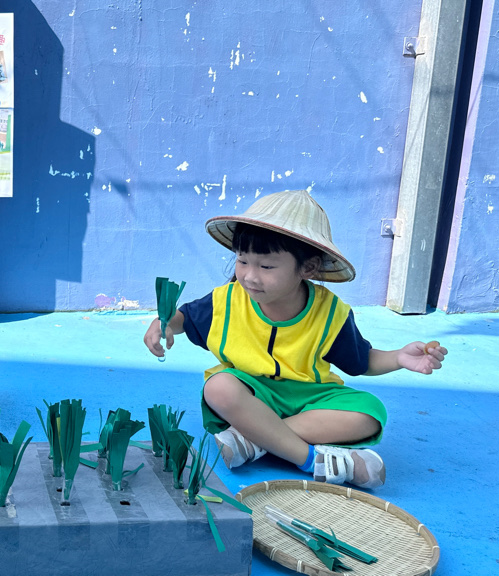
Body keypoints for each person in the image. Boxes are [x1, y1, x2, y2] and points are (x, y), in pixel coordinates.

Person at [142, 189, 447, 488]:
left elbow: (362, 361)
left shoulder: (330, 313)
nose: (249, 275)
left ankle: (254, 440)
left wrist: (399, 357)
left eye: (266, 266)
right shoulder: (226, 301)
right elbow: (184, 319)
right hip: (251, 396)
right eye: (243, 260)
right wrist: (164, 324)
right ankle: (312, 459)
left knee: (370, 412)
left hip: (309, 399)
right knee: (218, 387)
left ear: (308, 267)